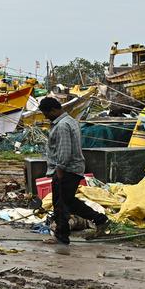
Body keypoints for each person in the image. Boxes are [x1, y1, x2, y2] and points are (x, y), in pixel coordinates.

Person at [40, 96, 109, 253]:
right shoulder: (70, 121)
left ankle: (62, 236)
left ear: (53, 110)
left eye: (46, 113)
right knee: (68, 201)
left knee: (61, 203)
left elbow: (64, 150)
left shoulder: (63, 125)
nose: (45, 117)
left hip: (66, 169)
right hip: (72, 168)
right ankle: (100, 219)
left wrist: (60, 170)